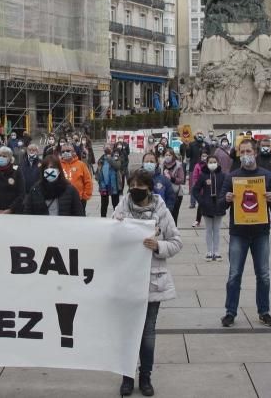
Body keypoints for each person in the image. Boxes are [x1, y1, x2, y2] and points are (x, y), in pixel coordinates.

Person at [113, 169, 181, 397]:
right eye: (132, 186)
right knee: (128, 331)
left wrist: (159, 246)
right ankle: (126, 376)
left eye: (140, 187)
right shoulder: (122, 207)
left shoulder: (161, 209)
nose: (135, 191)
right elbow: (110, 241)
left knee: (148, 333)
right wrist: (115, 227)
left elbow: (176, 242)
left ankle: (145, 377)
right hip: (128, 279)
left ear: (149, 188)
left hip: (153, 279)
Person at [221, 139, 271, 328]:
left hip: (260, 232)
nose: (246, 154)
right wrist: (227, 198)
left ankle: (264, 311)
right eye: (242, 151)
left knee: (263, 274)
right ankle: (230, 312)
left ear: (255, 153)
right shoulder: (232, 177)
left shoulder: (267, 176)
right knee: (234, 274)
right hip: (239, 232)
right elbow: (221, 206)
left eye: (249, 151)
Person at [191, 153, 225, 260]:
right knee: (208, 229)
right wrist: (201, 201)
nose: (212, 164)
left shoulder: (223, 175)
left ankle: (216, 251)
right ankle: (209, 251)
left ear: (218, 163)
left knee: (217, 230)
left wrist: (224, 200)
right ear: (207, 163)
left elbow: (227, 189)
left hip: (219, 206)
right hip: (206, 206)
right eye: (210, 162)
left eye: (214, 162)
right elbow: (195, 190)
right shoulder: (203, 175)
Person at [59, 143, 94, 213]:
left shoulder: (81, 165)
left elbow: (88, 181)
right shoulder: (58, 165)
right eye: (63, 151)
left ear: (73, 152)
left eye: (68, 151)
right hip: (62, 199)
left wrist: (85, 196)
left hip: (79, 199)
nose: (65, 153)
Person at [160, 148, 186, 224]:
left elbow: (181, 180)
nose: (168, 156)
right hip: (164, 193)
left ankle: (174, 234)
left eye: (169, 155)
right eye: (166, 155)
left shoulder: (178, 165)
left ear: (173, 155)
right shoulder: (161, 165)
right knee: (164, 216)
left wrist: (171, 178)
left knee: (174, 216)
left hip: (176, 193)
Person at [96, 145, 123, 218]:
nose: (107, 148)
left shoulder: (116, 157)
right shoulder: (101, 158)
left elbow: (117, 166)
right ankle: (103, 218)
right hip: (103, 185)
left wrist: (109, 158)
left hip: (114, 185)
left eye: (109, 147)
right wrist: (98, 177)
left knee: (115, 203)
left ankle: (116, 218)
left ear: (112, 149)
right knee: (104, 204)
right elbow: (98, 169)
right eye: (106, 147)